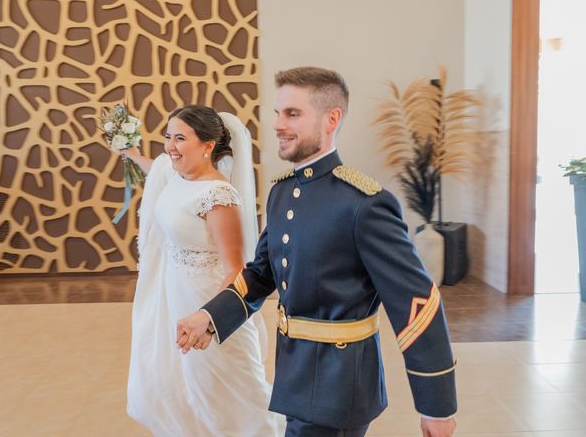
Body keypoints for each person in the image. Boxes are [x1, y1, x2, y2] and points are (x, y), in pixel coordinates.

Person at [176, 68, 458, 437]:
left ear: (331, 119)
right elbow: (261, 274)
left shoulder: (363, 205)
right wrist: (210, 317)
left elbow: (416, 302)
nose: (278, 124)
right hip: (296, 373)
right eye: (277, 113)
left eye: (292, 114)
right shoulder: (281, 194)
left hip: (340, 385)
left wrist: (436, 405)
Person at [123, 105, 284, 436]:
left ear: (207, 146)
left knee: (231, 399)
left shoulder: (218, 195)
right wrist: (132, 154)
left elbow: (237, 270)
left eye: (181, 138)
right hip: (177, 299)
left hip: (208, 304)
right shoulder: (178, 177)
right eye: (169, 137)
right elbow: (158, 169)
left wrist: (211, 321)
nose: (170, 146)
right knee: (187, 394)